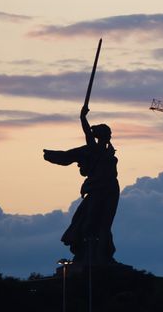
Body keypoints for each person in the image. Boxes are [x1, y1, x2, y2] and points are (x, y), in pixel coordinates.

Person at [43, 106, 119, 265]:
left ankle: (99, 255)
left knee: (97, 223)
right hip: (103, 190)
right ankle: (93, 254)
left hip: (106, 190)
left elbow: (87, 134)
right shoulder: (101, 151)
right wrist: (83, 118)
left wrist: (83, 117)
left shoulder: (103, 152)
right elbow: (87, 135)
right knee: (91, 221)